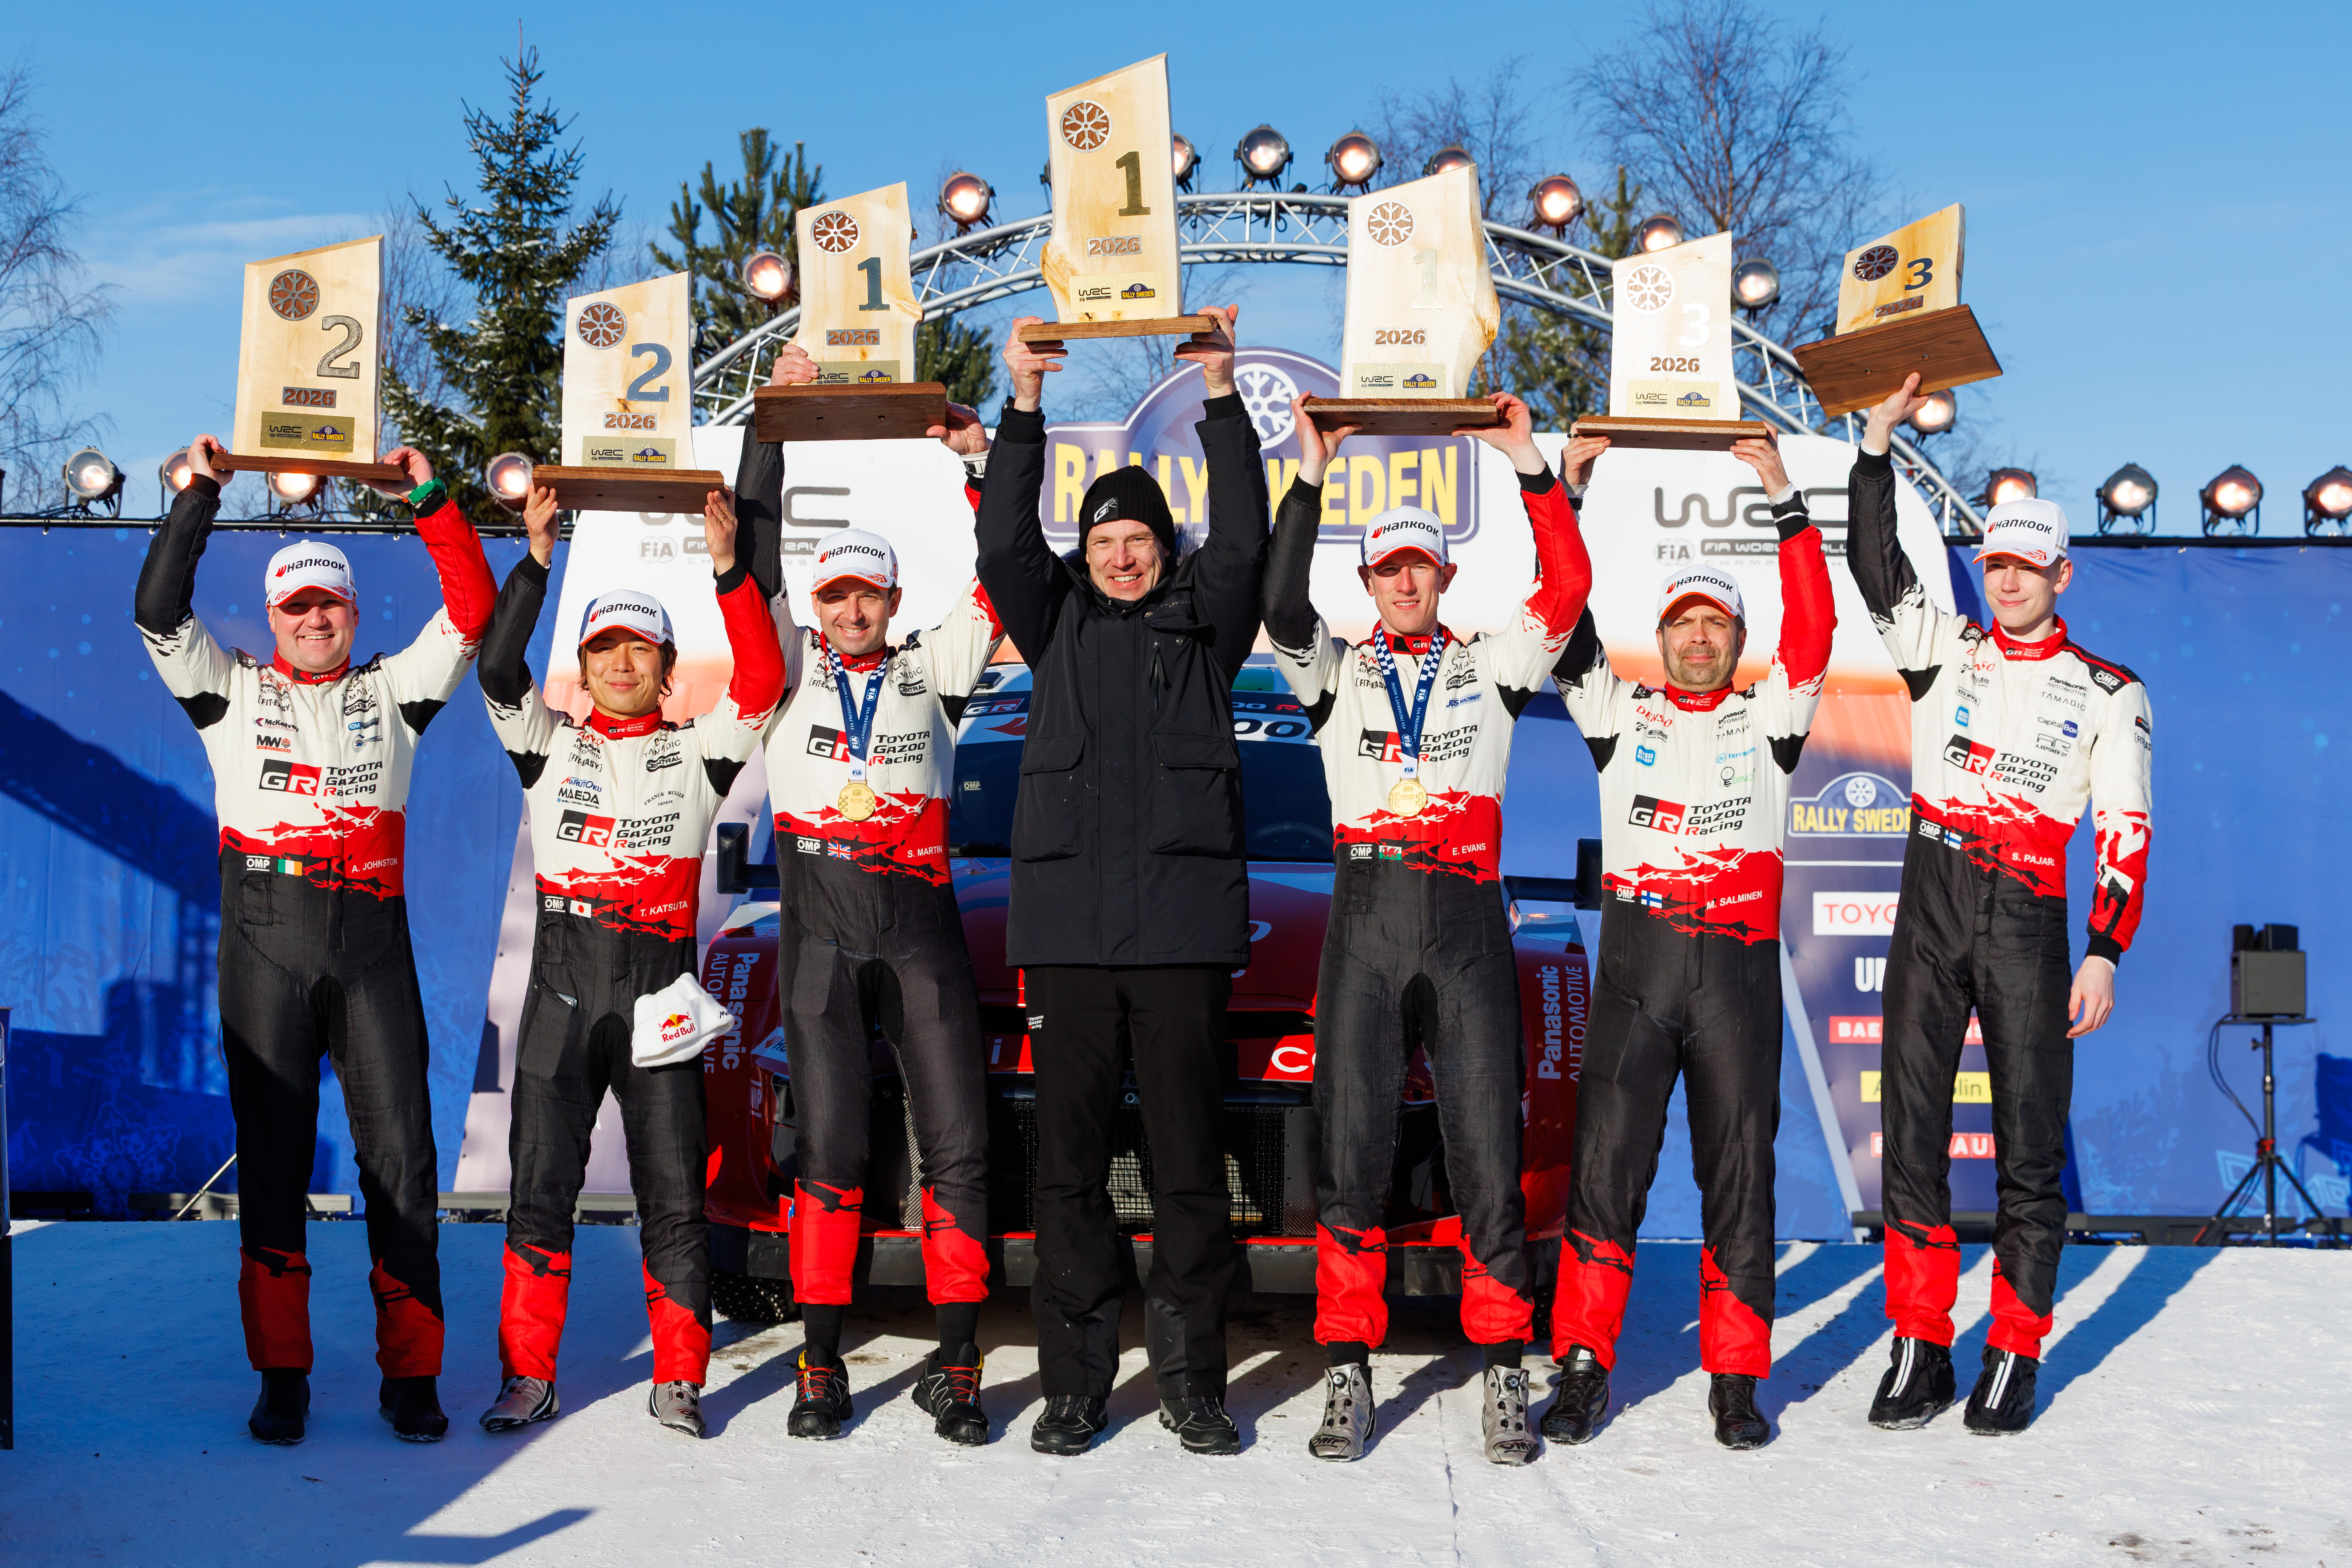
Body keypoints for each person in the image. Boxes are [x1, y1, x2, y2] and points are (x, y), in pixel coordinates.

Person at [135, 434, 496, 1445]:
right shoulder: (230, 691)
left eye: (328, 604)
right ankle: (282, 1375)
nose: (313, 619)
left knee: (402, 1161)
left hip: (371, 943)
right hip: (265, 940)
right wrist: (201, 493)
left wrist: (429, 495)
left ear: (353, 611)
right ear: (272, 615)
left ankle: (412, 1374)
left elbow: (472, 611)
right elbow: (158, 609)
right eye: (295, 606)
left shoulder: (397, 692)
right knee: (273, 1163)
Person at [1264, 393, 1591, 1465]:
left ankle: (1503, 1363)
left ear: (1444, 574)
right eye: (1387, 569)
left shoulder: (1491, 665)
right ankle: (1347, 1364)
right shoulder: (1334, 673)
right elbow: (1278, 599)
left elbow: (1567, 588)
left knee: (1487, 1149)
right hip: (1364, 917)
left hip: (1465, 918)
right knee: (1351, 1149)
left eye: (1419, 567)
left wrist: (1529, 464)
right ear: (1366, 581)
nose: (1404, 583)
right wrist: (1309, 474)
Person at [974, 306, 1268, 1457]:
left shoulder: (1208, 625)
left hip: (1184, 942)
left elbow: (1244, 535)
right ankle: (1077, 1383)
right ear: (1085, 552)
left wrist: (1222, 395)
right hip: (1071, 944)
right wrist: (1025, 405)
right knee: (1068, 1176)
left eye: (1140, 537)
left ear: (1164, 546)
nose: (1123, 554)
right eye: (1106, 538)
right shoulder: (1053, 626)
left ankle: (1193, 1380)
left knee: (1191, 1173)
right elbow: (1005, 545)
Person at [1847, 375, 2150, 1435]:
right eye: (1996, 563)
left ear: (2061, 572)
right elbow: (1876, 566)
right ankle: (1920, 1341)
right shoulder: (1946, 647)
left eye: (2028, 564)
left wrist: (2105, 948)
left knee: (2026, 1148)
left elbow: (2126, 827)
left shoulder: (2111, 689)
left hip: (2028, 912)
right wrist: (1874, 447)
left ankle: (2015, 1346)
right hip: (1930, 894)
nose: (2009, 578)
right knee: (1911, 1133)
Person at [727, 343, 1005, 1446]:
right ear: (819, 601)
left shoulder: (933, 668)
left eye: (868, 594)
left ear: (892, 598)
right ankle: (819, 1362)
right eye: (836, 594)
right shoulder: (785, 674)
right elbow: (749, 561)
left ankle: (960, 1365)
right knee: (831, 1152)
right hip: (823, 940)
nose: (851, 609)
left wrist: (982, 463)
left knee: (959, 1147)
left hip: (923, 932)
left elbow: (1005, 574)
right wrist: (774, 422)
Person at [472, 476, 783, 1439]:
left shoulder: (700, 751)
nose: (619, 663)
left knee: (675, 1195)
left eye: (637, 648)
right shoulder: (544, 744)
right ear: (583, 663)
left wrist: (729, 571)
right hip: (562, 993)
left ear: (664, 666)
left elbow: (763, 681)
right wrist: (536, 558)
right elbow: (496, 666)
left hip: (660, 993)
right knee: (539, 1193)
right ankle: (527, 1376)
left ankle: (680, 1376)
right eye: (603, 647)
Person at [1541, 430, 1834, 1452]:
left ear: (1737, 636)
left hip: (1735, 980)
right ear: (1660, 638)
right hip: (1637, 971)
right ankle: (1582, 1365)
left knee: (1740, 1173)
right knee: (1605, 1172)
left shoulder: (1773, 715)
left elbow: (1815, 625)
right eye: (1682, 623)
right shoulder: (1617, 712)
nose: (1698, 638)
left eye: (1714, 622)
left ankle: (1737, 1376)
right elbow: (1561, 615)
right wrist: (1564, 490)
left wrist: (1780, 493)